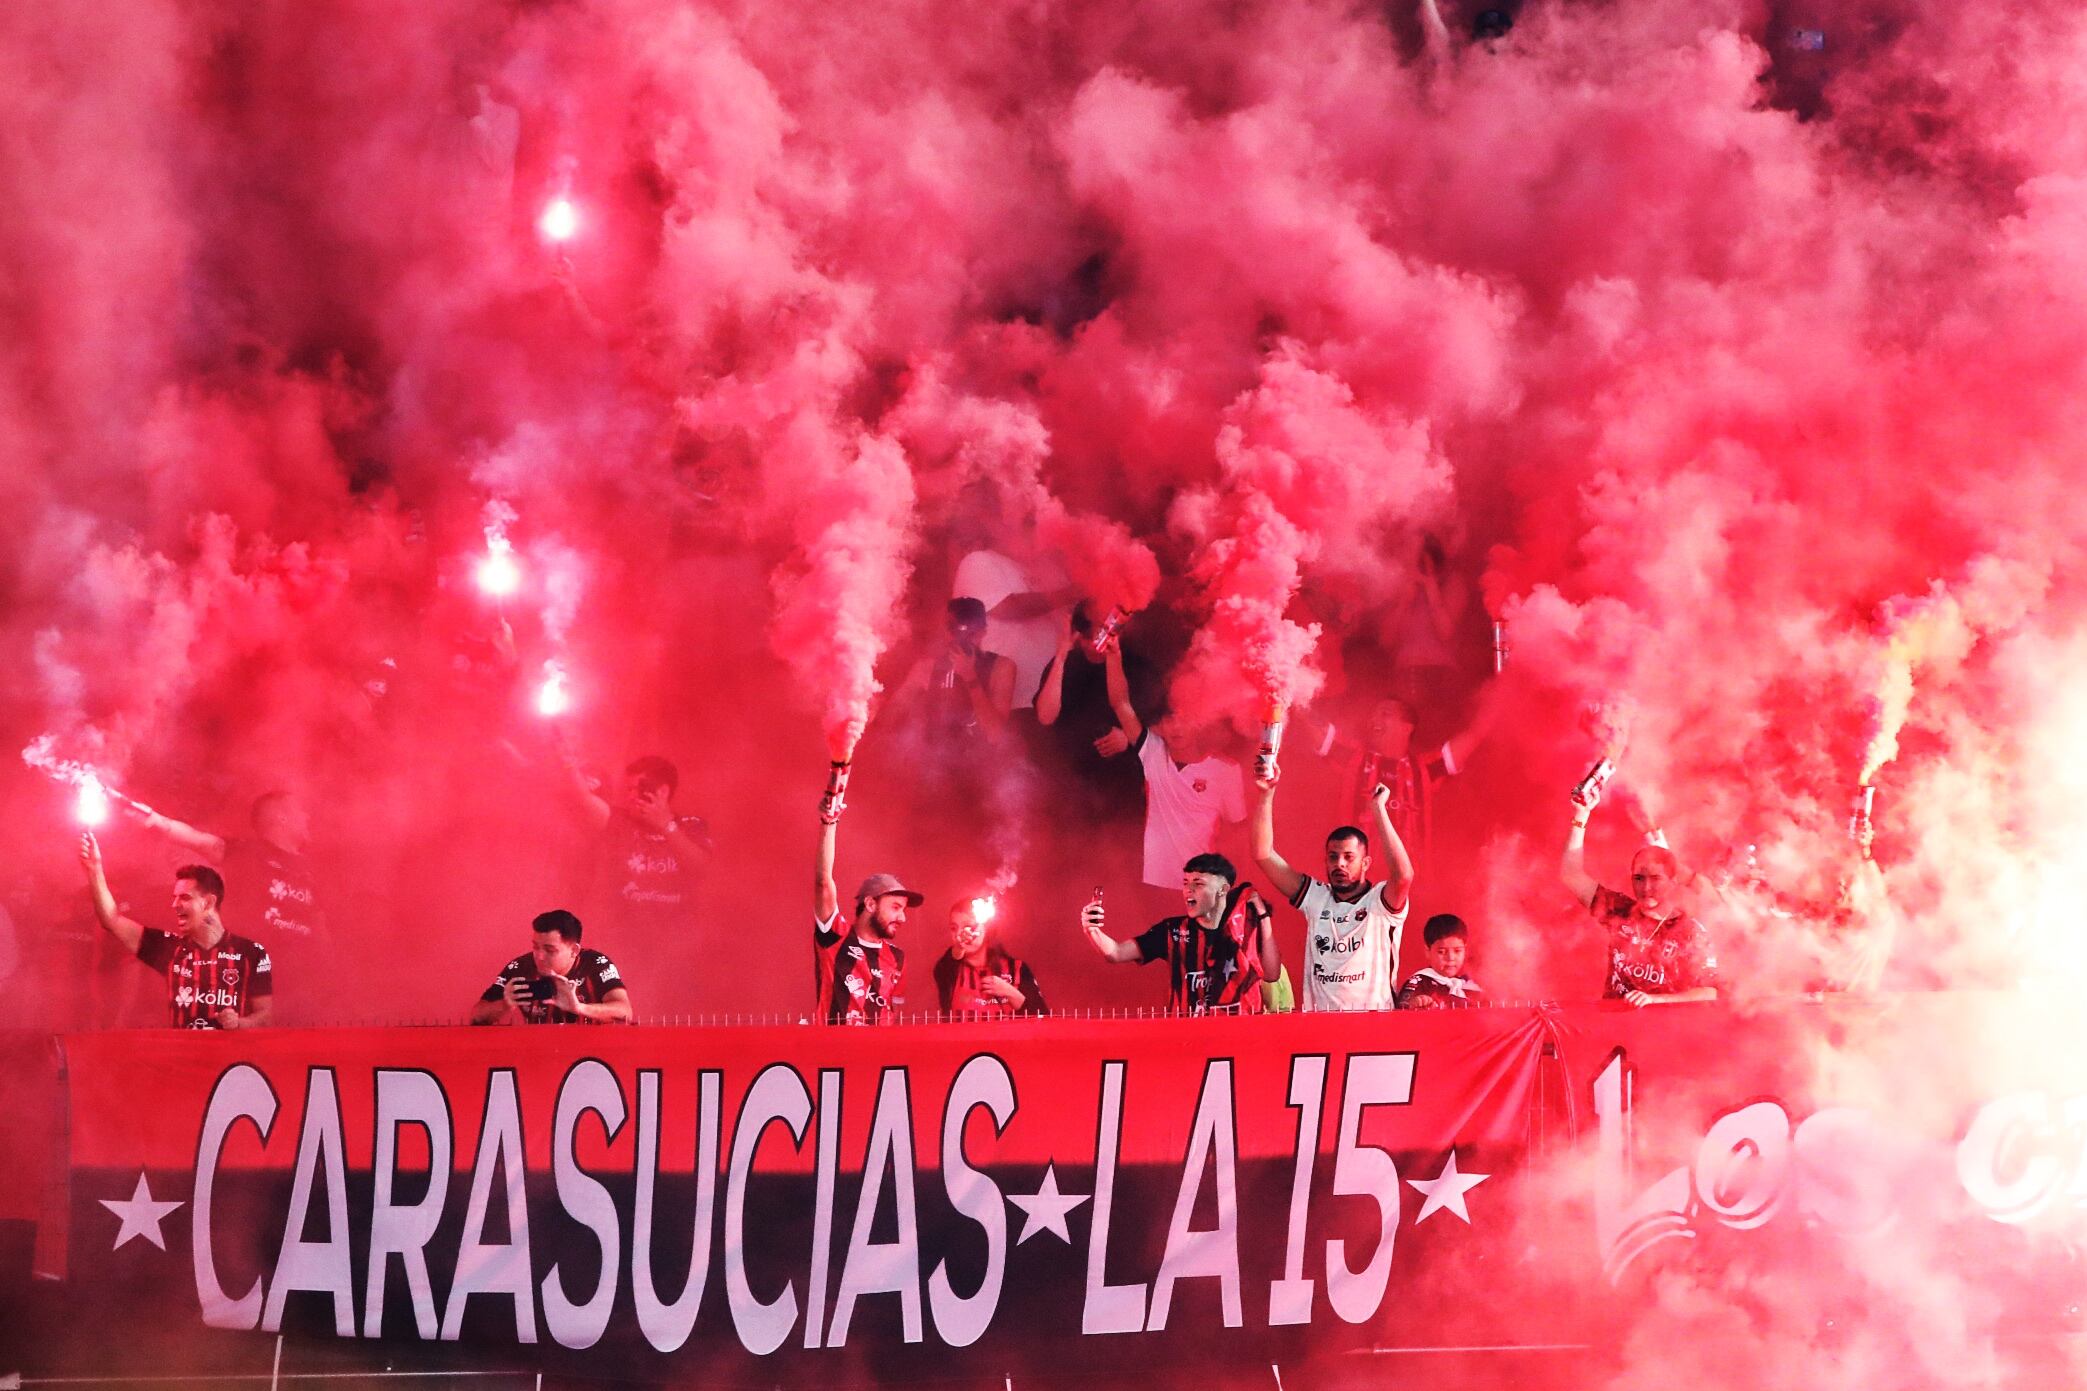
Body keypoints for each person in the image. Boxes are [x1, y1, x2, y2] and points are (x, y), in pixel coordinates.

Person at [79, 831, 272, 1030]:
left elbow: (266, 1016)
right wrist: (95, 870)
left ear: (208, 902)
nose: (175, 904)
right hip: (180, 1058)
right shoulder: (170, 949)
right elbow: (111, 920)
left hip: (231, 1058)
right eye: (174, 897)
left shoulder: (251, 952)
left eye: (184, 898)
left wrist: (239, 1023)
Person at [1253, 773, 1412, 1012]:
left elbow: (1403, 876)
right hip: (1321, 1027)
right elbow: (1263, 855)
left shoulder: (1380, 901)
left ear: (1366, 863)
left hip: (1374, 1026)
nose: (1340, 864)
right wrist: (1266, 795)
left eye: (1349, 857)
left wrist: (1379, 810)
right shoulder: (1317, 898)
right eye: (1333, 857)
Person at [1302, 681, 1499, 869]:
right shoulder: (1356, 760)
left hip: (1411, 885)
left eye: (1384, 714)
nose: (1374, 720)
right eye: (1373, 715)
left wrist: (1501, 697)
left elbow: (1474, 735)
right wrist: (1291, 692)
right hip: (1358, 883)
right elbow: (1319, 735)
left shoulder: (1423, 769)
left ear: (1407, 726)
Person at [565, 750, 711, 1000]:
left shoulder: (691, 825)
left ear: (662, 791)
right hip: (625, 947)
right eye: (627, 790)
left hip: (677, 951)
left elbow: (703, 869)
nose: (630, 796)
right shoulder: (620, 822)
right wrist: (565, 760)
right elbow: (581, 798)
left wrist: (666, 826)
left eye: (637, 789)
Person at [1561, 783, 1719, 1005]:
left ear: (1673, 881)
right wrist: (1581, 816)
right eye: (1639, 879)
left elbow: (1709, 991)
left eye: (1656, 879)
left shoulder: (1690, 931)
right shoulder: (1621, 910)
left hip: (1659, 1032)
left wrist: (1654, 1000)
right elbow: (1572, 875)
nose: (1646, 888)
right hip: (1612, 1027)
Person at [1079, 853, 1279, 1016]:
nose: (1188, 891)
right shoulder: (1173, 931)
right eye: (1185, 883)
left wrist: (1263, 914)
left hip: (1238, 1039)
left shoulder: (1246, 928)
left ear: (1222, 890)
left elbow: (1271, 974)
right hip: (1187, 1041)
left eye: (1198, 884)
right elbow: (1115, 953)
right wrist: (1092, 930)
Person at [136, 790, 324, 945]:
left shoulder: (310, 868)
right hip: (258, 970)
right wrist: (156, 820)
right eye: (300, 810)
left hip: (307, 977)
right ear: (282, 817)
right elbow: (197, 839)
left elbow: (319, 924)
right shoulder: (247, 853)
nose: (307, 816)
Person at [1034, 602, 1156, 820]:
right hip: (1070, 784)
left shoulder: (1139, 666)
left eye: (1104, 628)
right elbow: (1045, 716)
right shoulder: (1067, 663)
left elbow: (1162, 724)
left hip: (1120, 786)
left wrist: (1129, 738)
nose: (1096, 639)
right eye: (1090, 632)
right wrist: (1062, 654)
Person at [812, 801, 916, 1025]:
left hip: (879, 1055)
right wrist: (829, 822)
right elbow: (823, 883)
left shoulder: (898, 958)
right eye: (895, 907)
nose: (902, 918)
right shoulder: (836, 937)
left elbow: (896, 1014)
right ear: (870, 904)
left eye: (903, 910)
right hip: (834, 1053)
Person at [1137, 716, 1247, 893]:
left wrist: (1228, 885)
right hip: (1153, 884)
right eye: (1169, 720)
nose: (1176, 728)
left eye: (1184, 718)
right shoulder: (1154, 754)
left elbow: (1237, 832)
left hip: (1200, 885)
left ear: (1200, 721)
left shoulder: (1226, 770)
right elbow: (1122, 706)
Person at [471, 908, 632, 1025]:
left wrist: (579, 1008)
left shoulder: (596, 964)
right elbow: (476, 1015)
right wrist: (505, 1004)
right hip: (539, 1053)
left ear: (574, 950)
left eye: (550, 950)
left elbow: (625, 1012)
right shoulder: (519, 967)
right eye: (535, 947)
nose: (539, 956)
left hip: (592, 1056)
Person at [908, 598, 1017, 748]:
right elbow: (893, 713)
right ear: (945, 631)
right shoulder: (927, 667)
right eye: (954, 630)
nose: (960, 639)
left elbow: (995, 735)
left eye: (970, 633)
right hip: (934, 762)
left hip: (980, 763)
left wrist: (970, 677)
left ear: (982, 632)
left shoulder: (1001, 667)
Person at [932, 897, 1047, 1016]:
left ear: (987, 929)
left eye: (969, 926)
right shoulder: (948, 969)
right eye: (953, 928)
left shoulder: (1016, 968)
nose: (959, 934)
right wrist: (960, 946)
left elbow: (1043, 1017)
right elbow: (951, 959)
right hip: (962, 1035)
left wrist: (1010, 992)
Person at [1397, 914, 1484, 1008]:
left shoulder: (1470, 985)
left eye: (1457, 951)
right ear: (1428, 952)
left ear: (1465, 950)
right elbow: (1402, 1009)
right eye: (1442, 952)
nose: (1450, 957)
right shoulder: (1418, 983)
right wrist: (1415, 1004)